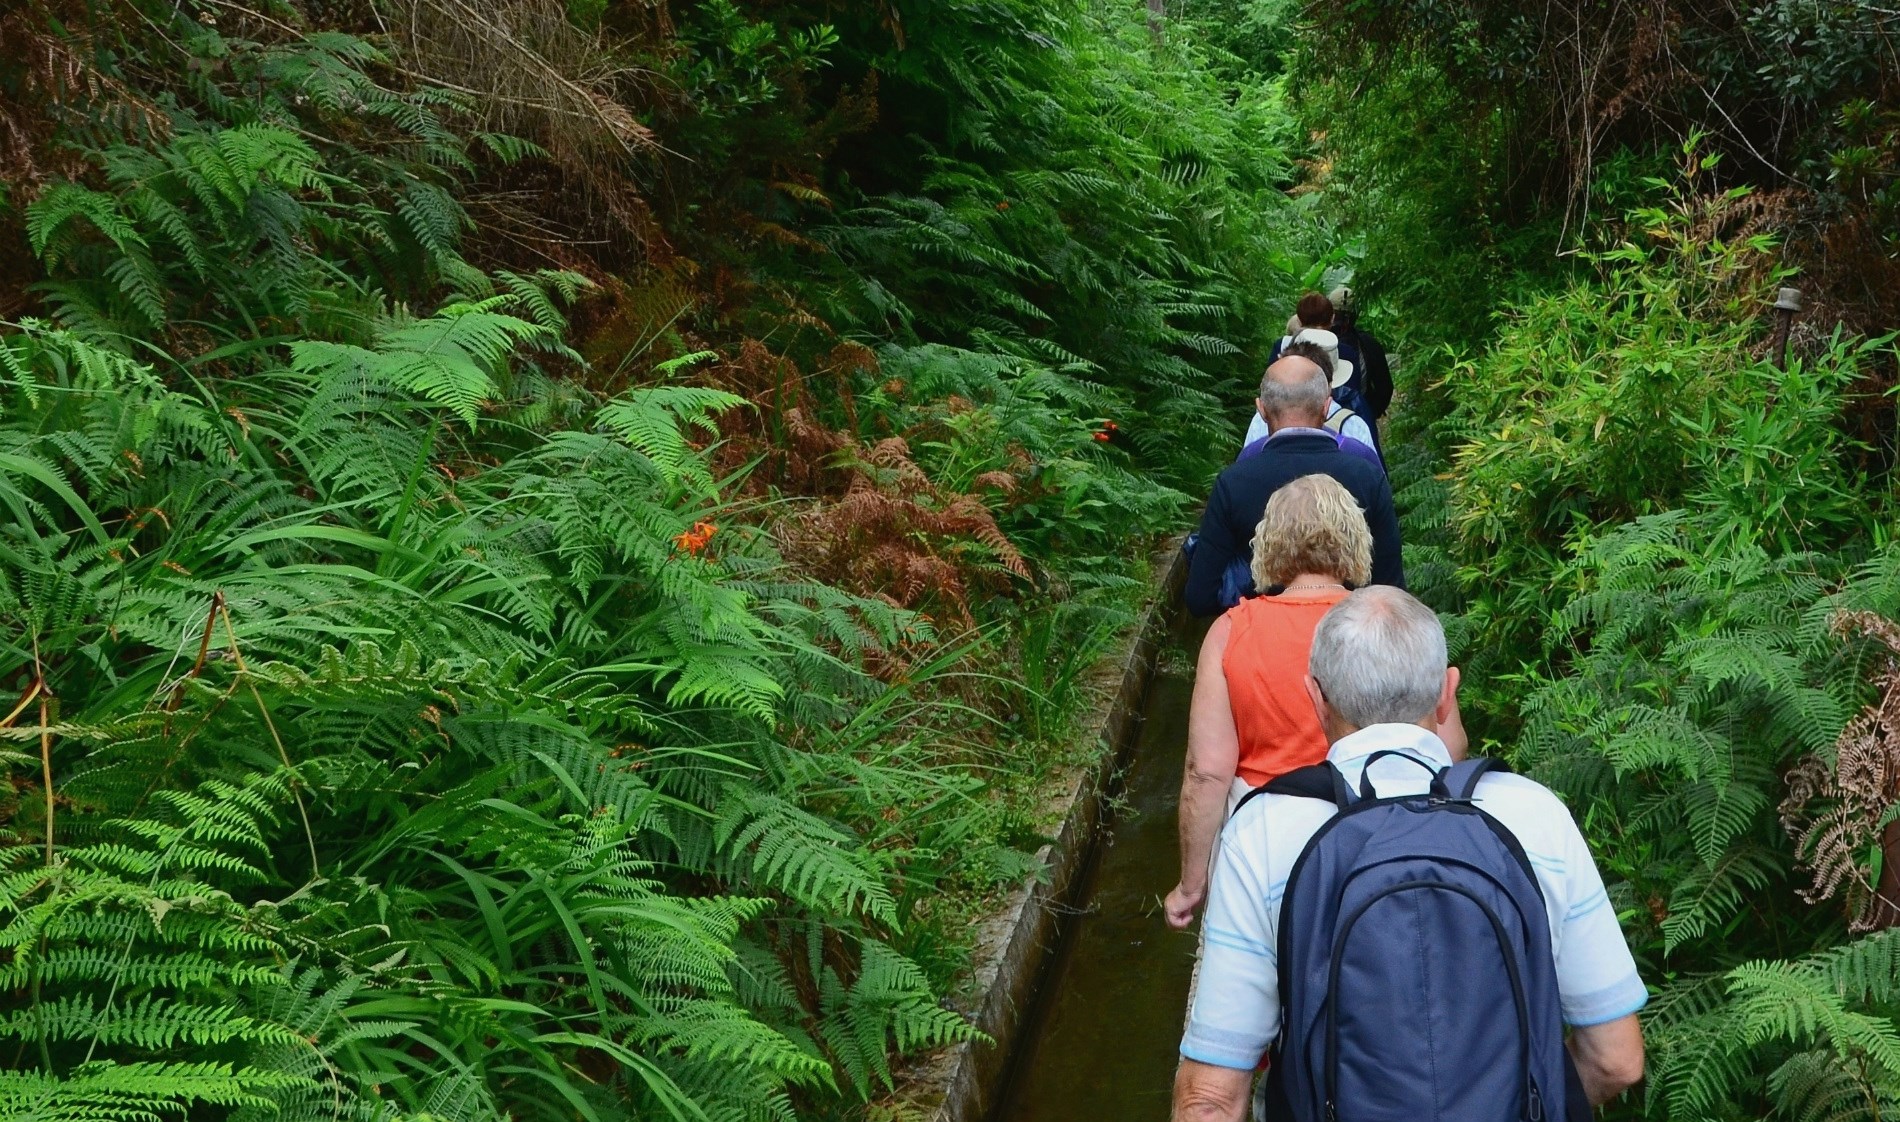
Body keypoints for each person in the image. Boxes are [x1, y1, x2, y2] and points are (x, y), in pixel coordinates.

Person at [1171, 588, 1647, 1122]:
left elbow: (1210, 1100)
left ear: (1315, 698)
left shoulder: (1261, 835)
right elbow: (1617, 1060)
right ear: (1447, 693)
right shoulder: (1534, 815)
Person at [1166, 474, 1379, 930]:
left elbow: (1206, 772)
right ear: (1354, 537)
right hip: (1369, 838)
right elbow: (1444, 745)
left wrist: (1191, 884)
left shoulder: (1231, 630)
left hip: (1260, 847)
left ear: (1269, 545)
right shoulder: (1387, 622)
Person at [1185, 354, 1402, 617]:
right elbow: (1391, 590)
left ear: (1261, 409)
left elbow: (1201, 596)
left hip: (1264, 639)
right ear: (1326, 407)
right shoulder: (1367, 477)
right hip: (1348, 638)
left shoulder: (1233, 483)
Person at [1240, 336, 1379, 467]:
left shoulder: (1259, 425)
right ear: (1329, 387)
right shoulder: (1355, 426)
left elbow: (1245, 466)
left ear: (1262, 408)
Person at [1331, 286, 1393, 425]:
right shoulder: (1369, 344)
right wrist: (1370, 413)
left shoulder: (1314, 342)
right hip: (1359, 416)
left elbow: (1385, 388)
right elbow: (1384, 388)